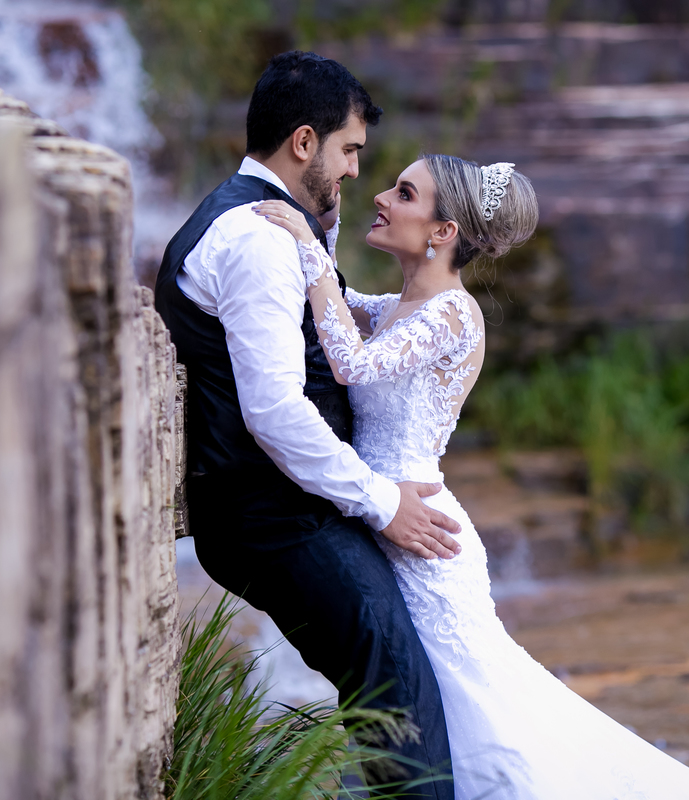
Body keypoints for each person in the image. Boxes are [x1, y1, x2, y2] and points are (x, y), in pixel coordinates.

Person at [254, 154, 689, 799]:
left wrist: (308, 247)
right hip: (384, 513)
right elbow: (338, 308)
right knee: (419, 697)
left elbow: (350, 363)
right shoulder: (401, 307)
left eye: (404, 193)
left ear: (443, 232)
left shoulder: (454, 315)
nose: (382, 197)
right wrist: (322, 230)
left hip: (421, 534)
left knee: (468, 705)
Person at [154, 51, 458, 799]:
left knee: (398, 706)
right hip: (275, 518)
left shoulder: (268, 223)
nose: (355, 169)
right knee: (402, 706)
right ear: (303, 142)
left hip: (289, 506)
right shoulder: (255, 239)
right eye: (349, 150)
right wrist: (384, 504)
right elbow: (276, 412)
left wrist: (323, 227)